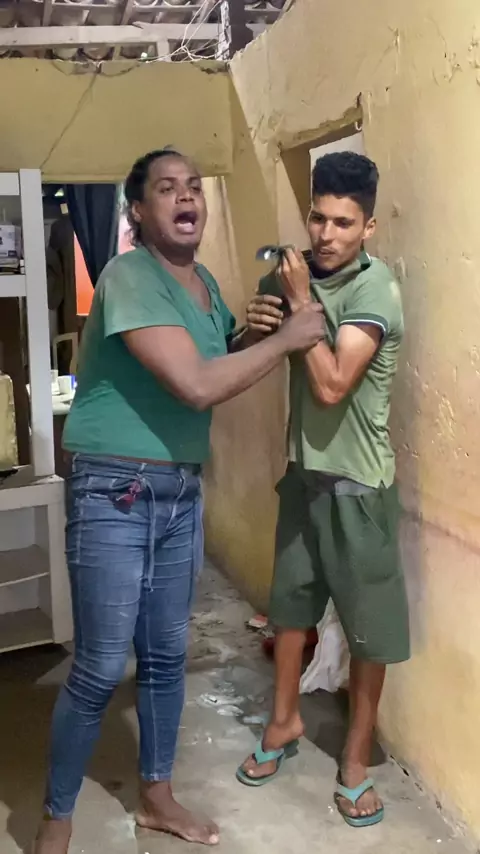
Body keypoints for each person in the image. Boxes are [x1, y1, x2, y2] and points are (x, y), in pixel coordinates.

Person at [34, 147, 326, 854]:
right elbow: (194, 385)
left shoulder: (202, 285)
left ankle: (157, 796)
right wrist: (289, 339)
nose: (186, 196)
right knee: (102, 664)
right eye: (167, 188)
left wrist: (251, 333)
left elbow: (212, 355)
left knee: (166, 656)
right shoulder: (129, 276)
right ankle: (56, 817)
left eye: (193, 186)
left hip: (178, 490)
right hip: (117, 490)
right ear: (137, 211)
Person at [236, 151, 410, 828]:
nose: (327, 233)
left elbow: (334, 383)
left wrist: (301, 306)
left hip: (361, 489)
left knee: (369, 634)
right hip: (304, 477)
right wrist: (256, 325)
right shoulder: (289, 278)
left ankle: (356, 760)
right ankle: (283, 722)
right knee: (289, 614)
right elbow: (244, 355)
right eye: (318, 218)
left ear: (368, 227)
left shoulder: (375, 290)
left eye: (343, 222)